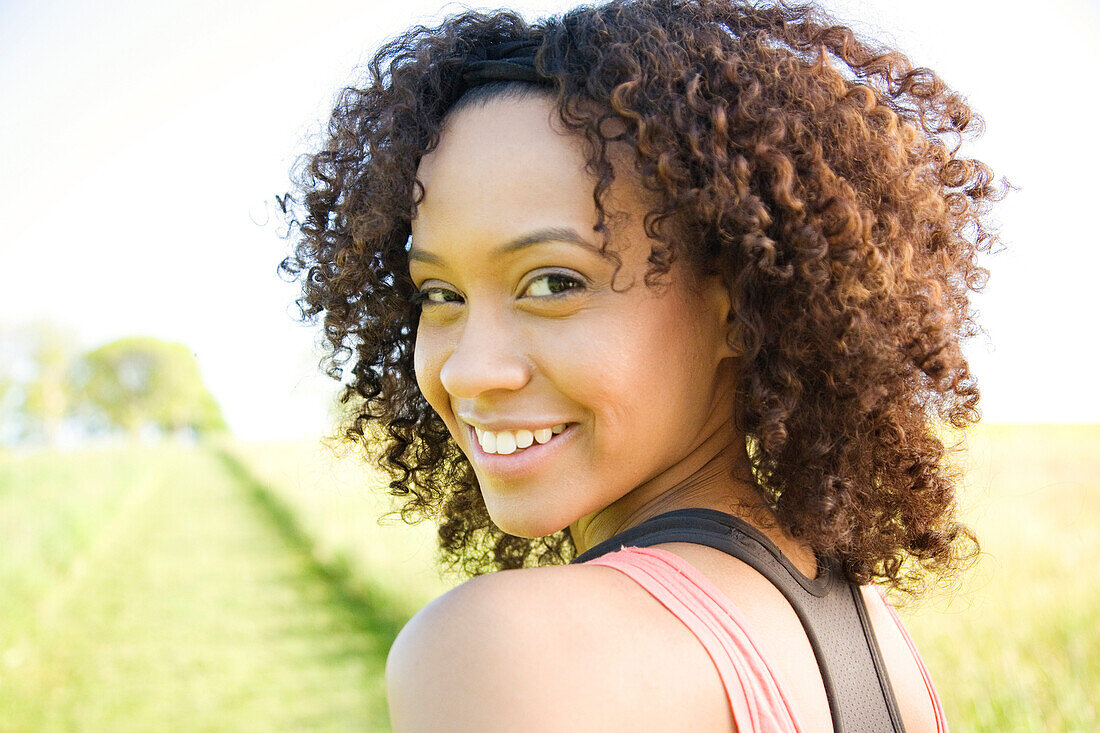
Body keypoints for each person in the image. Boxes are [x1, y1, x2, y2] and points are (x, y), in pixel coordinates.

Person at [279, 0, 1004, 729]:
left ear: (737, 303)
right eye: (440, 294)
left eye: (554, 282)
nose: (471, 370)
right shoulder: (873, 637)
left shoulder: (504, 650)